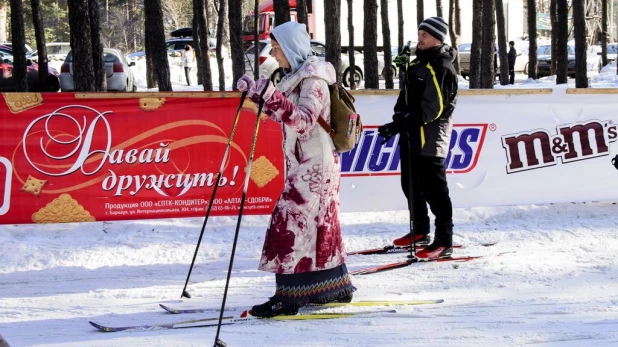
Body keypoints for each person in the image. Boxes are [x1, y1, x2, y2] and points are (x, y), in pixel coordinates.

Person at [236, 21, 355, 318]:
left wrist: (271, 95)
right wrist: (257, 95)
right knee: (316, 226)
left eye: (277, 48)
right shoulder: (297, 78)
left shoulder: (313, 80)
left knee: (289, 225)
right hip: (305, 162)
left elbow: (303, 121)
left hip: (315, 165)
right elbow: (285, 116)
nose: (275, 55)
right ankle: (332, 288)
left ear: (290, 47)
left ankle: (287, 297)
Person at [377, 17, 458, 260]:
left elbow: (432, 109)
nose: (419, 38)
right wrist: (398, 116)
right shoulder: (418, 64)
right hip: (412, 135)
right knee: (411, 186)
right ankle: (420, 231)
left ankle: (444, 240)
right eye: (419, 33)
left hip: (430, 138)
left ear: (437, 38)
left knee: (435, 191)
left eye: (424, 34)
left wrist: (399, 123)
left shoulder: (441, 67)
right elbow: (406, 96)